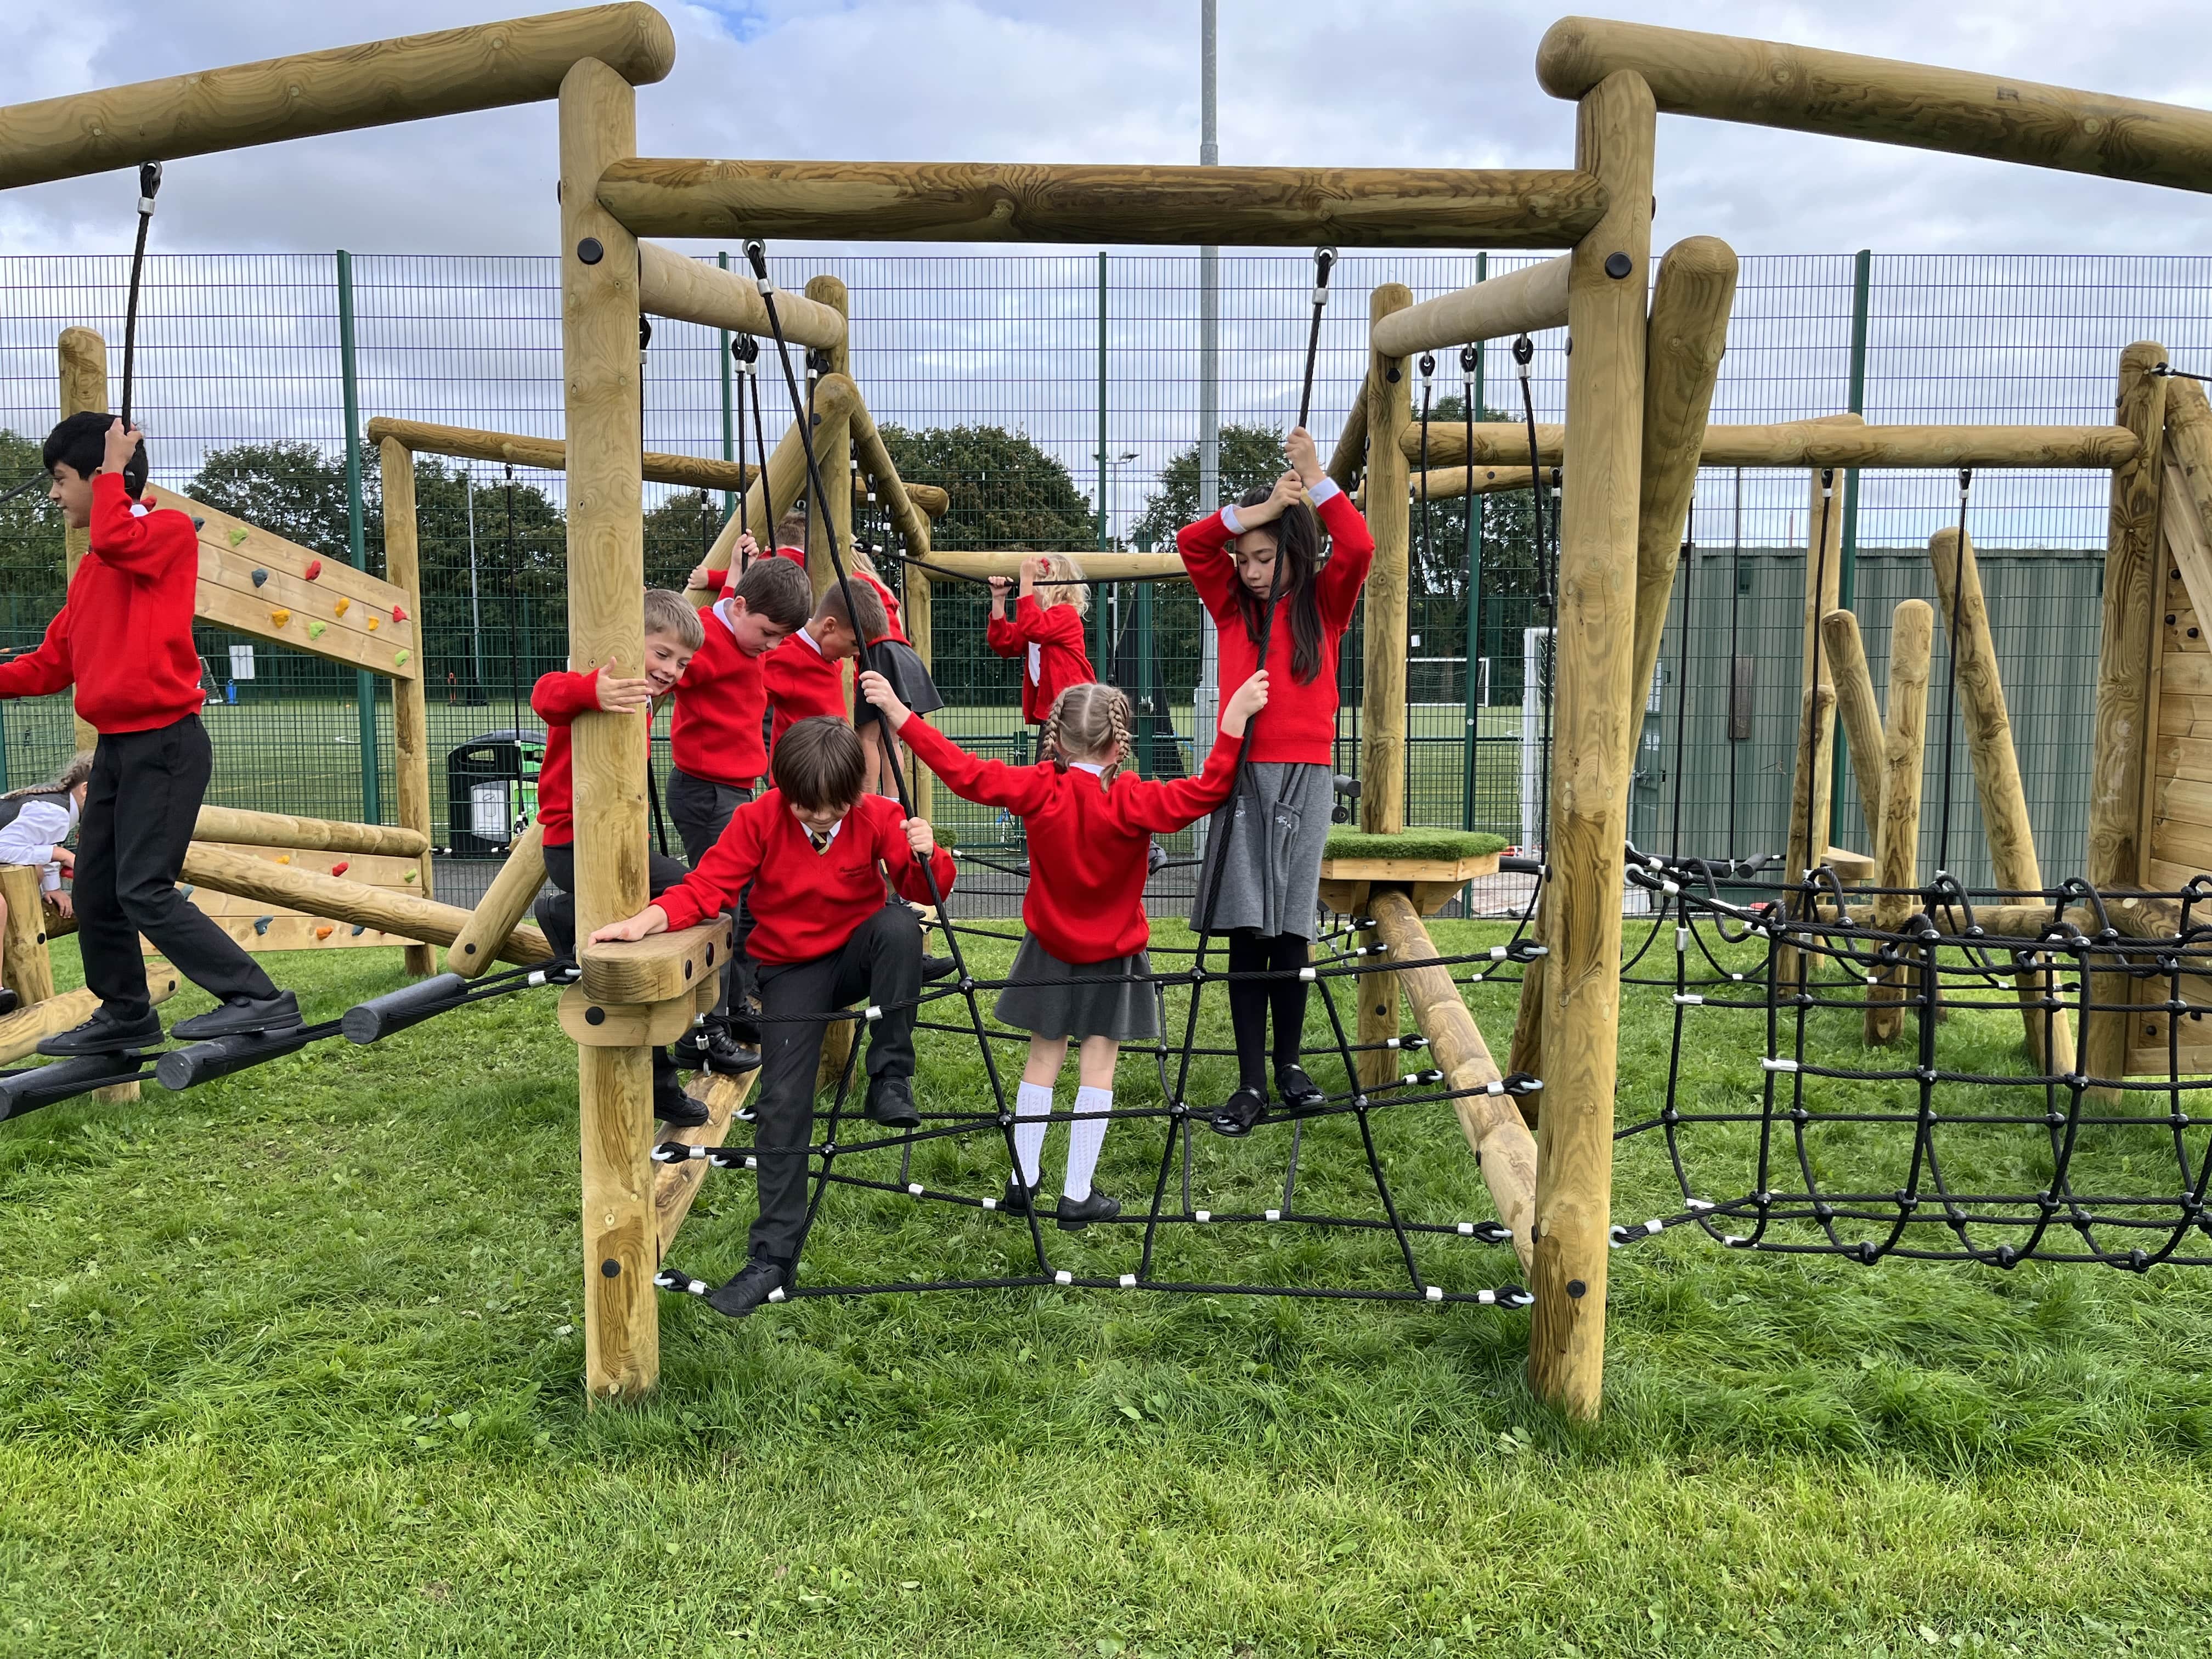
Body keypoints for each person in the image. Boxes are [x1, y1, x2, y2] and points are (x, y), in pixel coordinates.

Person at [863, 667, 1271, 1228]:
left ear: (1056, 739)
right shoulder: (1133, 799)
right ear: (1118, 740)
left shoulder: (1039, 787)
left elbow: (964, 773)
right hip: (1114, 953)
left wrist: (900, 715)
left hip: (1049, 948)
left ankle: (1023, 1180)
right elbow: (1207, 792)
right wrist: (1232, 723)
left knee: (1042, 1059)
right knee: (1097, 1065)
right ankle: (1077, 1193)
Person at [590, 716, 955, 1319]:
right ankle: (771, 1259)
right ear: (783, 791)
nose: (822, 818)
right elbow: (706, 888)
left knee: (898, 927)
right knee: (785, 1102)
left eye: (836, 806)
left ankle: (891, 1075)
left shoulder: (878, 816)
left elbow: (926, 886)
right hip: (793, 970)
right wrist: (645, 923)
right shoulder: (756, 821)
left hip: (859, 953)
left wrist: (926, 852)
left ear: (856, 793)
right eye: (808, 807)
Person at [0, 415, 298, 1055]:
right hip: (115, 751)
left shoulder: (163, 534)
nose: (53, 495)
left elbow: (115, 535)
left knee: (143, 887)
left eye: (59, 480)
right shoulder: (91, 574)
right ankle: (126, 1013)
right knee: (97, 890)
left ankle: (260, 1000)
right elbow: (50, 666)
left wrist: (112, 469)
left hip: (166, 743)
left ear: (103, 476)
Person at [1176, 426, 1374, 1137]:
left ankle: (1290, 1066)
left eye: (1265, 556)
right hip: (1241, 777)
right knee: (1243, 930)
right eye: (1247, 558)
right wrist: (1256, 511)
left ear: (1292, 551)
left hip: (1305, 777)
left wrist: (1316, 480)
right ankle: (1251, 1081)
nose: (1252, 569)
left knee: (1291, 929)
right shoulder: (1232, 607)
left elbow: (1358, 547)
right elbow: (1192, 543)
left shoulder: (1325, 606)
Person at [528, 588, 707, 1127]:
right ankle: (560, 913)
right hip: (574, 846)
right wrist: (593, 689)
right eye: (662, 653)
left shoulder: (642, 698)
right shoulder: (596, 685)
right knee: (684, 895)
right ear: (633, 645)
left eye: (682, 662)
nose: (672, 669)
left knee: (638, 961)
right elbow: (545, 694)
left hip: (620, 845)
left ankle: (661, 1079)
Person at [667, 555, 813, 1076]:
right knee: (720, 902)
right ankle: (707, 1028)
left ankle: (733, 1007)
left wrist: (728, 571)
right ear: (742, 607)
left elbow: (728, 613)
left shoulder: (740, 630)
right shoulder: (708, 640)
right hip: (706, 792)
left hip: (734, 790)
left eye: (780, 640)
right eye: (769, 634)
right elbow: (676, 657)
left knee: (748, 898)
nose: (772, 647)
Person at [843, 543, 943, 799]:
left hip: (878, 654)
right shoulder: (881, 587)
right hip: (901, 655)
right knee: (891, 739)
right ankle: (893, 800)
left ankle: (865, 801)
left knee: (866, 736)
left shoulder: (853, 582)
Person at [0, 754, 93, 1016]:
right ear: (86, 789)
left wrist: (52, 887)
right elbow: (3, 847)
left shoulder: (60, 809)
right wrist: (61, 855)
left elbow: (39, 844)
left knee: (37, 871)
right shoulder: (55, 812)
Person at [985, 553, 1094, 758]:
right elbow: (1004, 643)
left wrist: (1025, 579)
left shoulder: (1066, 615)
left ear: (1051, 587)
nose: (1027, 587)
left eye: (1034, 582)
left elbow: (1033, 627)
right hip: (1055, 711)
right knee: (1046, 769)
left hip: (1074, 710)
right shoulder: (1038, 622)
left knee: (1063, 769)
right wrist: (998, 600)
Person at [761, 578, 885, 757]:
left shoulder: (833, 660)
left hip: (834, 773)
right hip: (802, 776)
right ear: (829, 625)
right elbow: (747, 702)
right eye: (854, 644)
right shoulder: (788, 657)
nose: (858, 654)